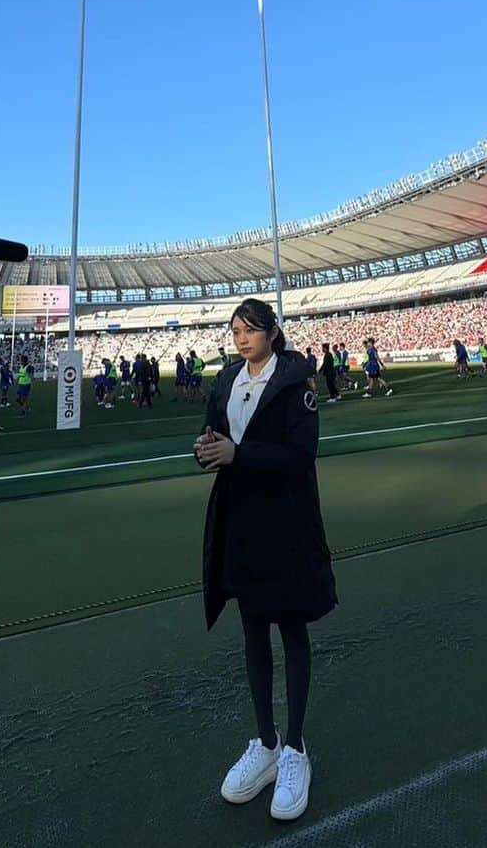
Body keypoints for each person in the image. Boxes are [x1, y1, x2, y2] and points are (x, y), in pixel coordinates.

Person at [195, 298, 337, 823]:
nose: (240, 337)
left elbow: (301, 456)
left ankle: (296, 749)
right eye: (234, 330)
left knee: (291, 630)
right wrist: (206, 448)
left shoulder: (296, 383)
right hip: (241, 524)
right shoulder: (228, 380)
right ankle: (266, 742)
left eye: (250, 329)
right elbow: (215, 438)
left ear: (272, 333)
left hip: (287, 523)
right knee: (252, 629)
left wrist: (240, 455)